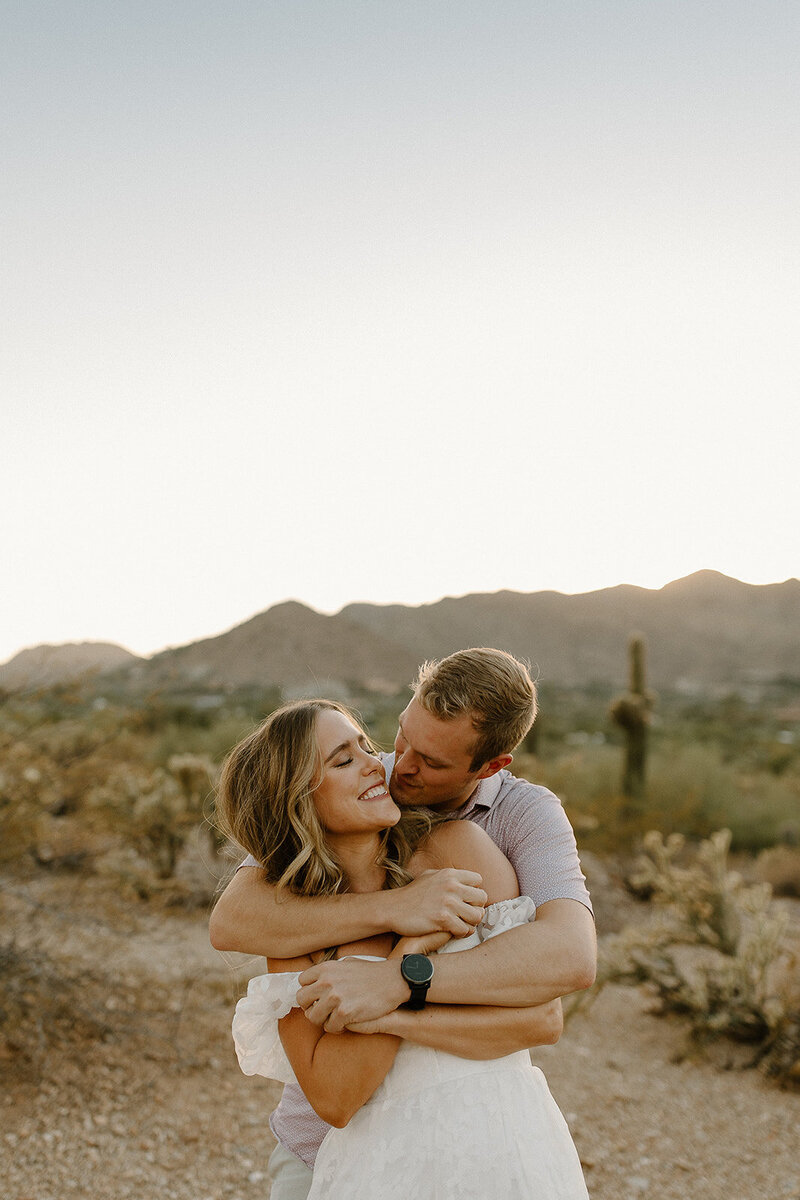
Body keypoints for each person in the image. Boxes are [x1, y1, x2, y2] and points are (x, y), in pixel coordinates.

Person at [210, 648, 596, 1198]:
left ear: (489, 767)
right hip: (326, 1149)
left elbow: (561, 976)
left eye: (432, 761)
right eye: (396, 738)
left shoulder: (489, 833)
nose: (395, 765)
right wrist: (406, 917)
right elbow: (231, 923)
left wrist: (396, 982)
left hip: (488, 1144)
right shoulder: (351, 811)